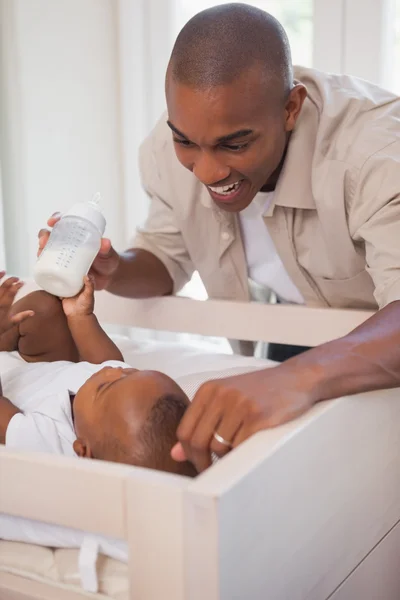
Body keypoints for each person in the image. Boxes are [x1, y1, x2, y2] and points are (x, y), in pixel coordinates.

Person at [38, 3, 400, 473]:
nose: (208, 171)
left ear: (291, 109)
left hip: (375, 338)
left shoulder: (375, 157)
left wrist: (297, 378)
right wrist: (117, 270)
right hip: (291, 327)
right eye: (186, 141)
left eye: (235, 144)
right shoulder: (168, 147)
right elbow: (165, 259)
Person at [0, 274, 196, 477]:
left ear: (82, 451)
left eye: (106, 387)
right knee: (42, 308)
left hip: (6, 385)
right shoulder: (106, 400)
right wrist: (80, 316)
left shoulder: (50, 443)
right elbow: (107, 359)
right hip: (45, 367)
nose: (113, 371)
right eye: (130, 372)